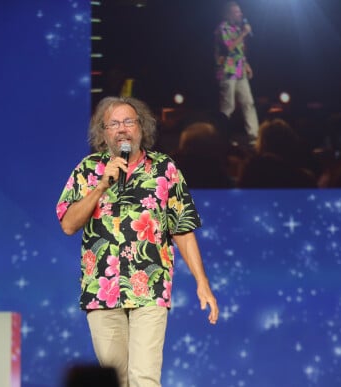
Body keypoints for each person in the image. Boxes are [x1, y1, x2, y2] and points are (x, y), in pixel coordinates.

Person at [56, 96, 219, 387]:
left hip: (151, 288)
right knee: (114, 381)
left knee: (144, 378)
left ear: (141, 128)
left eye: (129, 122)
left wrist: (202, 282)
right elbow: (68, 224)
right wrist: (101, 186)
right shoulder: (88, 169)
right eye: (114, 123)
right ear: (103, 132)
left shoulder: (164, 169)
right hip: (102, 291)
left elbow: (182, 228)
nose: (122, 129)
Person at [214, 1, 259, 145]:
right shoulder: (223, 28)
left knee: (248, 103)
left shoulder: (237, 29)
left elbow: (239, 52)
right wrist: (245, 33)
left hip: (240, 72)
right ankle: (223, 138)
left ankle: (254, 136)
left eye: (240, 12)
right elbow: (229, 48)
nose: (240, 14)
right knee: (228, 107)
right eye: (237, 12)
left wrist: (247, 65)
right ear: (229, 14)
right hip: (227, 71)